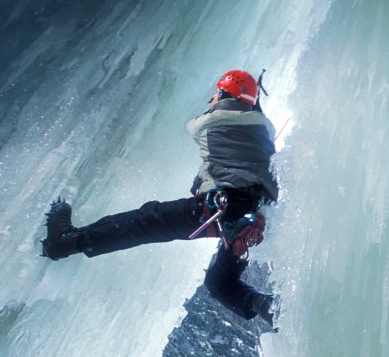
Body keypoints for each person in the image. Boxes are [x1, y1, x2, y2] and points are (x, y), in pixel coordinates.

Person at [40, 70, 278, 325]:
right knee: (219, 283)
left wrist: (230, 104)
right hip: (249, 217)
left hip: (219, 207)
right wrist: (252, 106)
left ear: (222, 94)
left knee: (144, 221)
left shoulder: (211, 121)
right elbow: (247, 131)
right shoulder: (265, 130)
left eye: (215, 95)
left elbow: (201, 124)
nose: (211, 100)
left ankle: (64, 243)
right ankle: (269, 308)